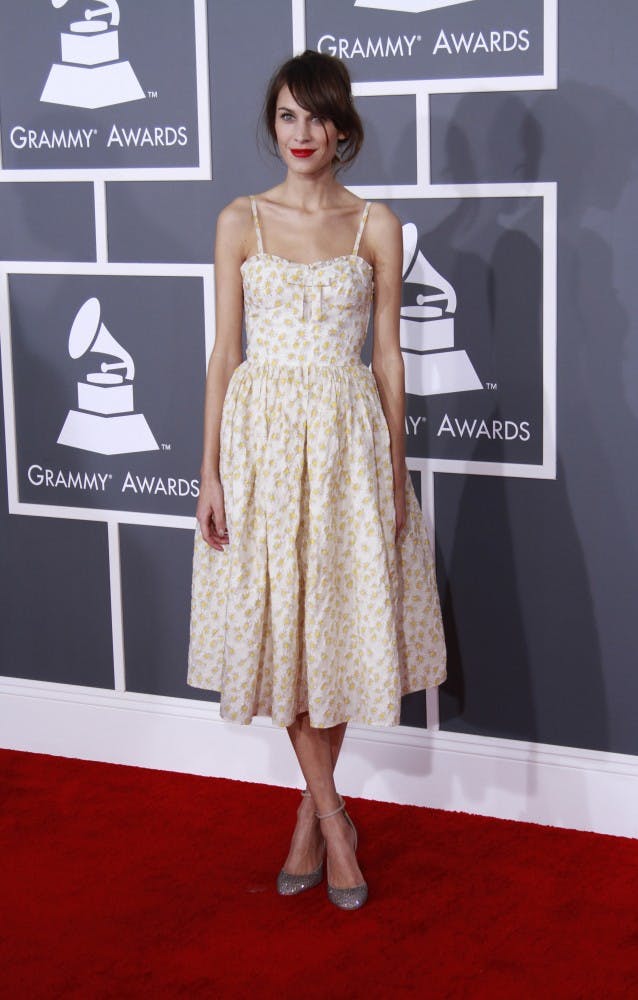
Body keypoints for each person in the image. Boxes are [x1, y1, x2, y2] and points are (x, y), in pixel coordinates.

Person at [188, 49, 446, 910]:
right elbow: (225, 356)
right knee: (283, 632)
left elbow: (386, 355)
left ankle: (308, 814)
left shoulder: (377, 223)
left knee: (329, 632)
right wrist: (210, 469)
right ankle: (337, 821)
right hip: (261, 446)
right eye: (289, 116)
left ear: (345, 128)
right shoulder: (239, 221)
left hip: (348, 446)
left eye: (319, 117)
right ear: (274, 125)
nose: (303, 133)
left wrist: (396, 460)